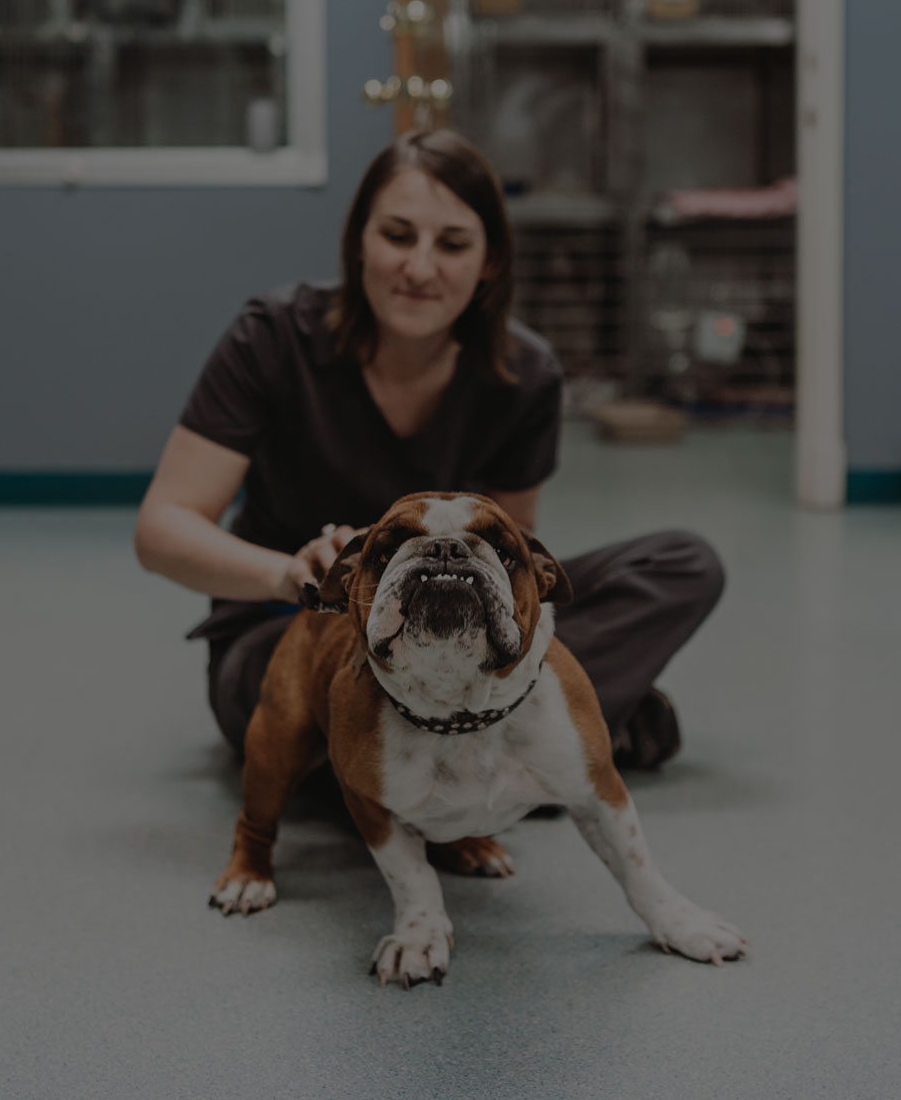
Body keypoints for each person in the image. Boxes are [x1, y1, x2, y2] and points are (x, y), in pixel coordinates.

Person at [134, 129, 723, 770]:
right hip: (289, 636)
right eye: (396, 236)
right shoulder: (272, 340)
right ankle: (528, 748)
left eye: (451, 244)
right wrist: (286, 575)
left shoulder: (526, 374)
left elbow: (514, 546)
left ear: (490, 260)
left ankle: (432, 765)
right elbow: (162, 529)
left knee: (683, 565)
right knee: (308, 700)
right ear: (359, 239)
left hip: (456, 644)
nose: (419, 268)